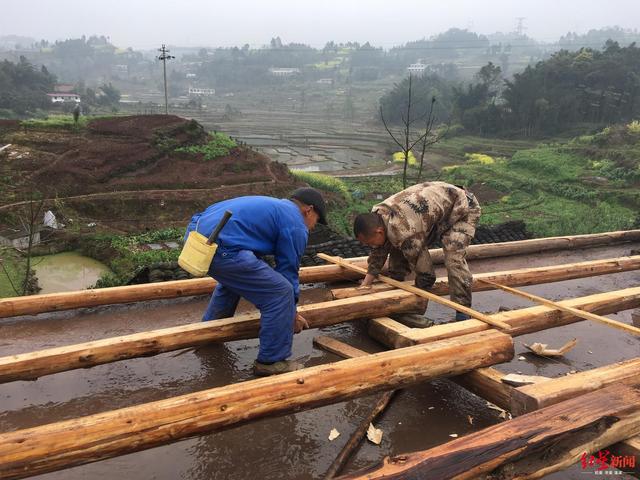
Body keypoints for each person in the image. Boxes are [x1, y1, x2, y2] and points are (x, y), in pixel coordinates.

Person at [184, 188, 327, 376]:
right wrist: (290, 313)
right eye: (316, 220)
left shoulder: (273, 207)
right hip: (222, 247)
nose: (314, 226)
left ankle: (208, 334)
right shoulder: (295, 222)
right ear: (308, 210)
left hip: (196, 239)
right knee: (280, 293)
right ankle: (271, 361)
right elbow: (288, 270)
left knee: (235, 280)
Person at [353, 181, 481, 322]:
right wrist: (366, 284)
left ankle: (463, 312)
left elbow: (426, 274)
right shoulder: (379, 215)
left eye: (370, 242)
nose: (370, 246)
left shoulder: (405, 231)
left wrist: (415, 303)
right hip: (438, 205)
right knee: (395, 244)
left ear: (379, 231)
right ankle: (396, 286)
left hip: (463, 207)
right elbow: (378, 251)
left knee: (453, 258)